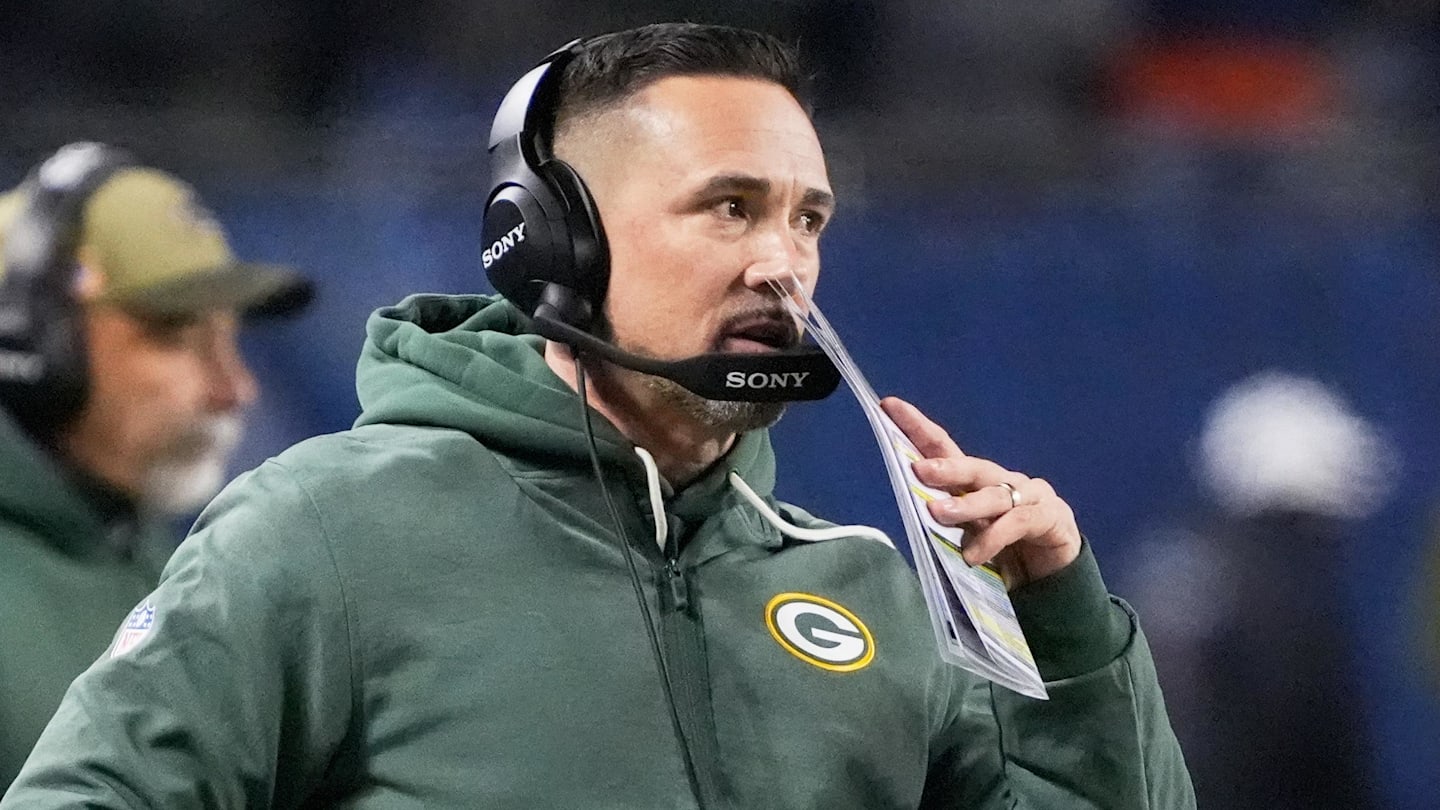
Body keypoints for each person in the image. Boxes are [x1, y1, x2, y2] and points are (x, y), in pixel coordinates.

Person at [3, 26, 1193, 808]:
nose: (784, 264)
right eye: (730, 207)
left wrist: (1069, 633)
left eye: (809, 219)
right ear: (554, 246)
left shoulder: (874, 593)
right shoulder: (326, 532)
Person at [0, 143, 312, 790]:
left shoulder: (151, 554)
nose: (234, 388)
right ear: (31, 343)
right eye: (174, 336)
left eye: (229, 339)